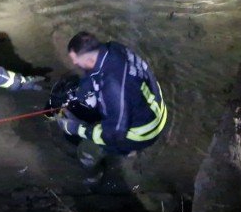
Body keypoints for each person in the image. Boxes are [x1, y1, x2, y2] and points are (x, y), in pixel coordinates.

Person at [55, 32, 168, 183]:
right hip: (156, 108)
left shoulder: (112, 88)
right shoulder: (114, 48)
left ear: (88, 58)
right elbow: (93, 75)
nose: (74, 64)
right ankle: (128, 149)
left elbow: (113, 134)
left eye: (76, 61)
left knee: (86, 152)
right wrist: (80, 92)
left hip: (145, 132)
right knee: (107, 111)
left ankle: (95, 178)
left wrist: (76, 128)